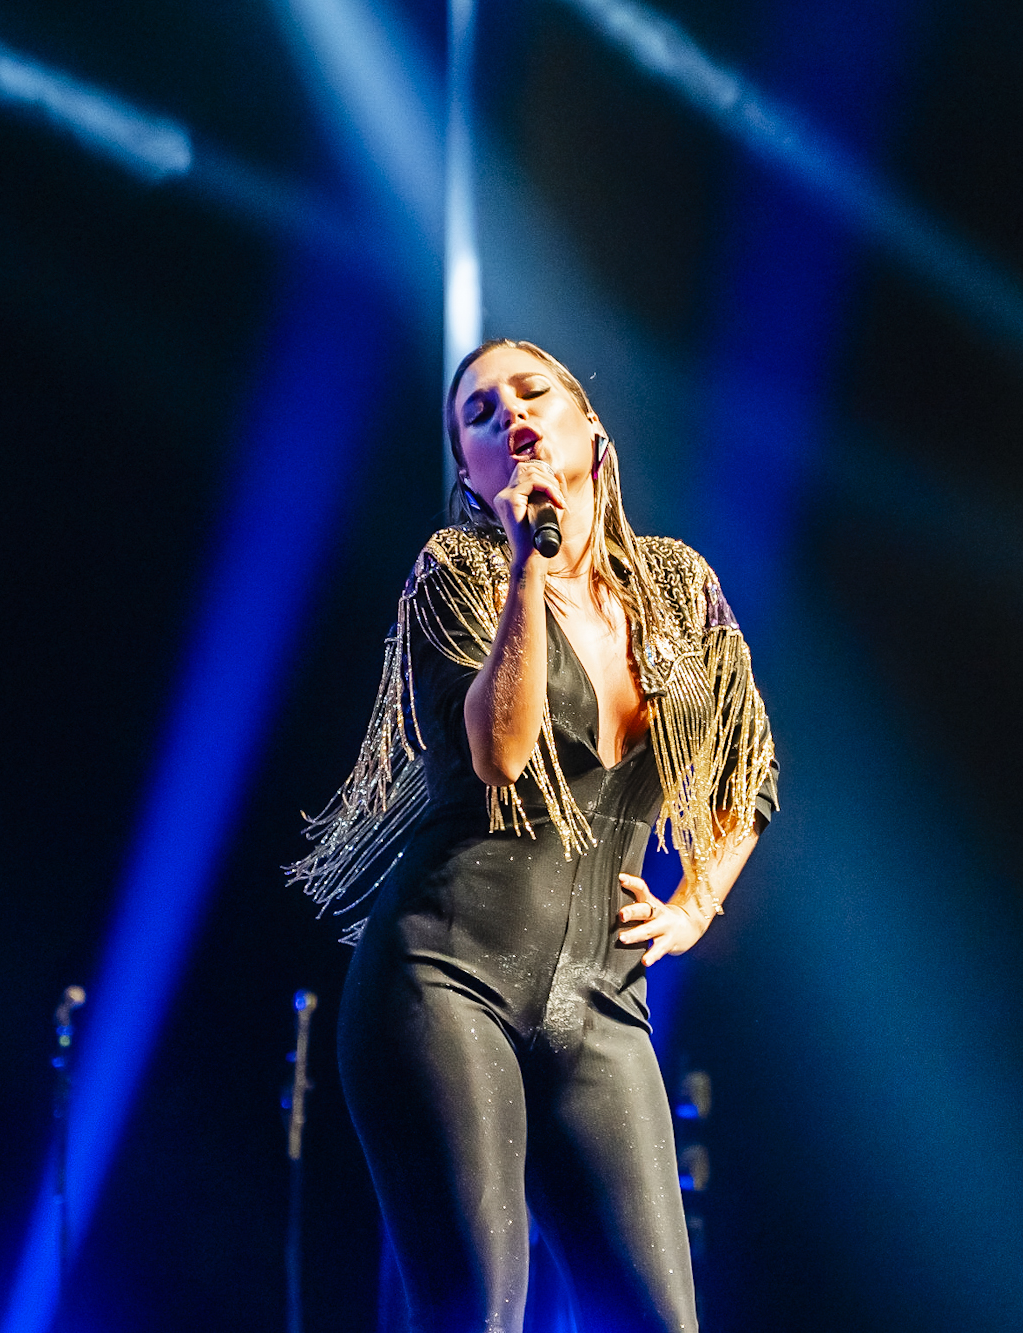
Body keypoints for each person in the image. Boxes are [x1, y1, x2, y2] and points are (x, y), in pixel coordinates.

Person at [290, 339, 778, 1333]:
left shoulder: (677, 587)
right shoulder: (459, 571)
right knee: (481, 1310)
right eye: (478, 413)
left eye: (531, 392)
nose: (509, 414)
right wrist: (526, 567)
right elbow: (501, 754)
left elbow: (750, 767)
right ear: (470, 474)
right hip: (445, 976)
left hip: (600, 1006)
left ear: (589, 430)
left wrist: (694, 904)